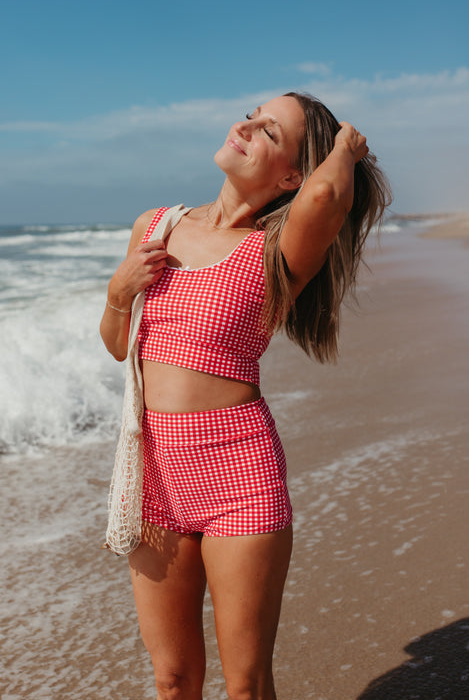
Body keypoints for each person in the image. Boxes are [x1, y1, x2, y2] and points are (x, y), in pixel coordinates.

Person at [100, 92, 391, 700]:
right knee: (173, 680)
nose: (246, 126)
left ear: (290, 174)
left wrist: (343, 149)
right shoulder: (154, 227)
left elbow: (326, 196)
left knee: (246, 685)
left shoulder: (277, 251)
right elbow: (119, 346)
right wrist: (117, 292)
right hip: (155, 474)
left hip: (238, 474)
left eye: (270, 132)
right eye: (251, 114)